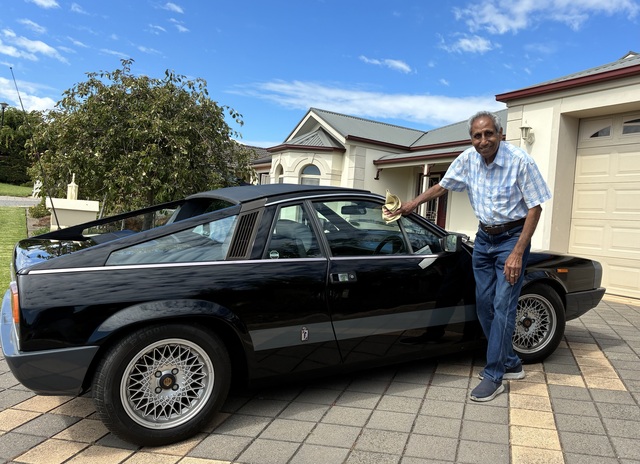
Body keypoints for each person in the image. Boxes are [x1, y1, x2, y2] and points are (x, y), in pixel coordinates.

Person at [386, 111, 551, 402]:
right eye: (477, 136)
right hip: (484, 239)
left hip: (512, 239)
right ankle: (511, 362)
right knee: (483, 305)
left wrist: (517, 252)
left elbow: (535, 207)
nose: (483, 140)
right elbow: (442, 186)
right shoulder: (467, 159)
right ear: (471, 139)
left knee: (503, 306)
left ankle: (494, 375)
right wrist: (411, 204)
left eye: (489, 134)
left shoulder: (520, 161)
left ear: (500, 134)